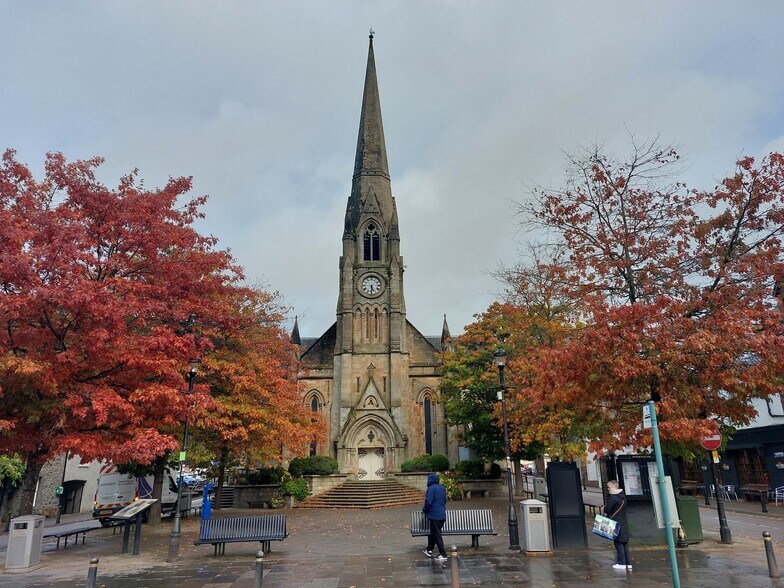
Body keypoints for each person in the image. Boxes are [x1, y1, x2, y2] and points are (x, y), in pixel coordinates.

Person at [604, 479, 631, 570]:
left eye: (609, 487)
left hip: (615, 521)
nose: (608, 489)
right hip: (623, 521)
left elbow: (607, 510)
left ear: (613, 487)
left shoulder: (613, 497)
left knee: (618, 542)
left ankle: (621, 563)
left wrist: (605, 508)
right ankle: (628, 563)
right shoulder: (623, 496)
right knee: (624, 543)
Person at [422, 473, 448, 561]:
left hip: (434, 515)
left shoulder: (431, 489)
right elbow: (445, 500)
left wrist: (425, 510)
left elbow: (428, 502)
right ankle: (429, 549)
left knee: (437, 534)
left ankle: (443, 554)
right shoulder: (442, 488)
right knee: (434, 532)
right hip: (442, 514)